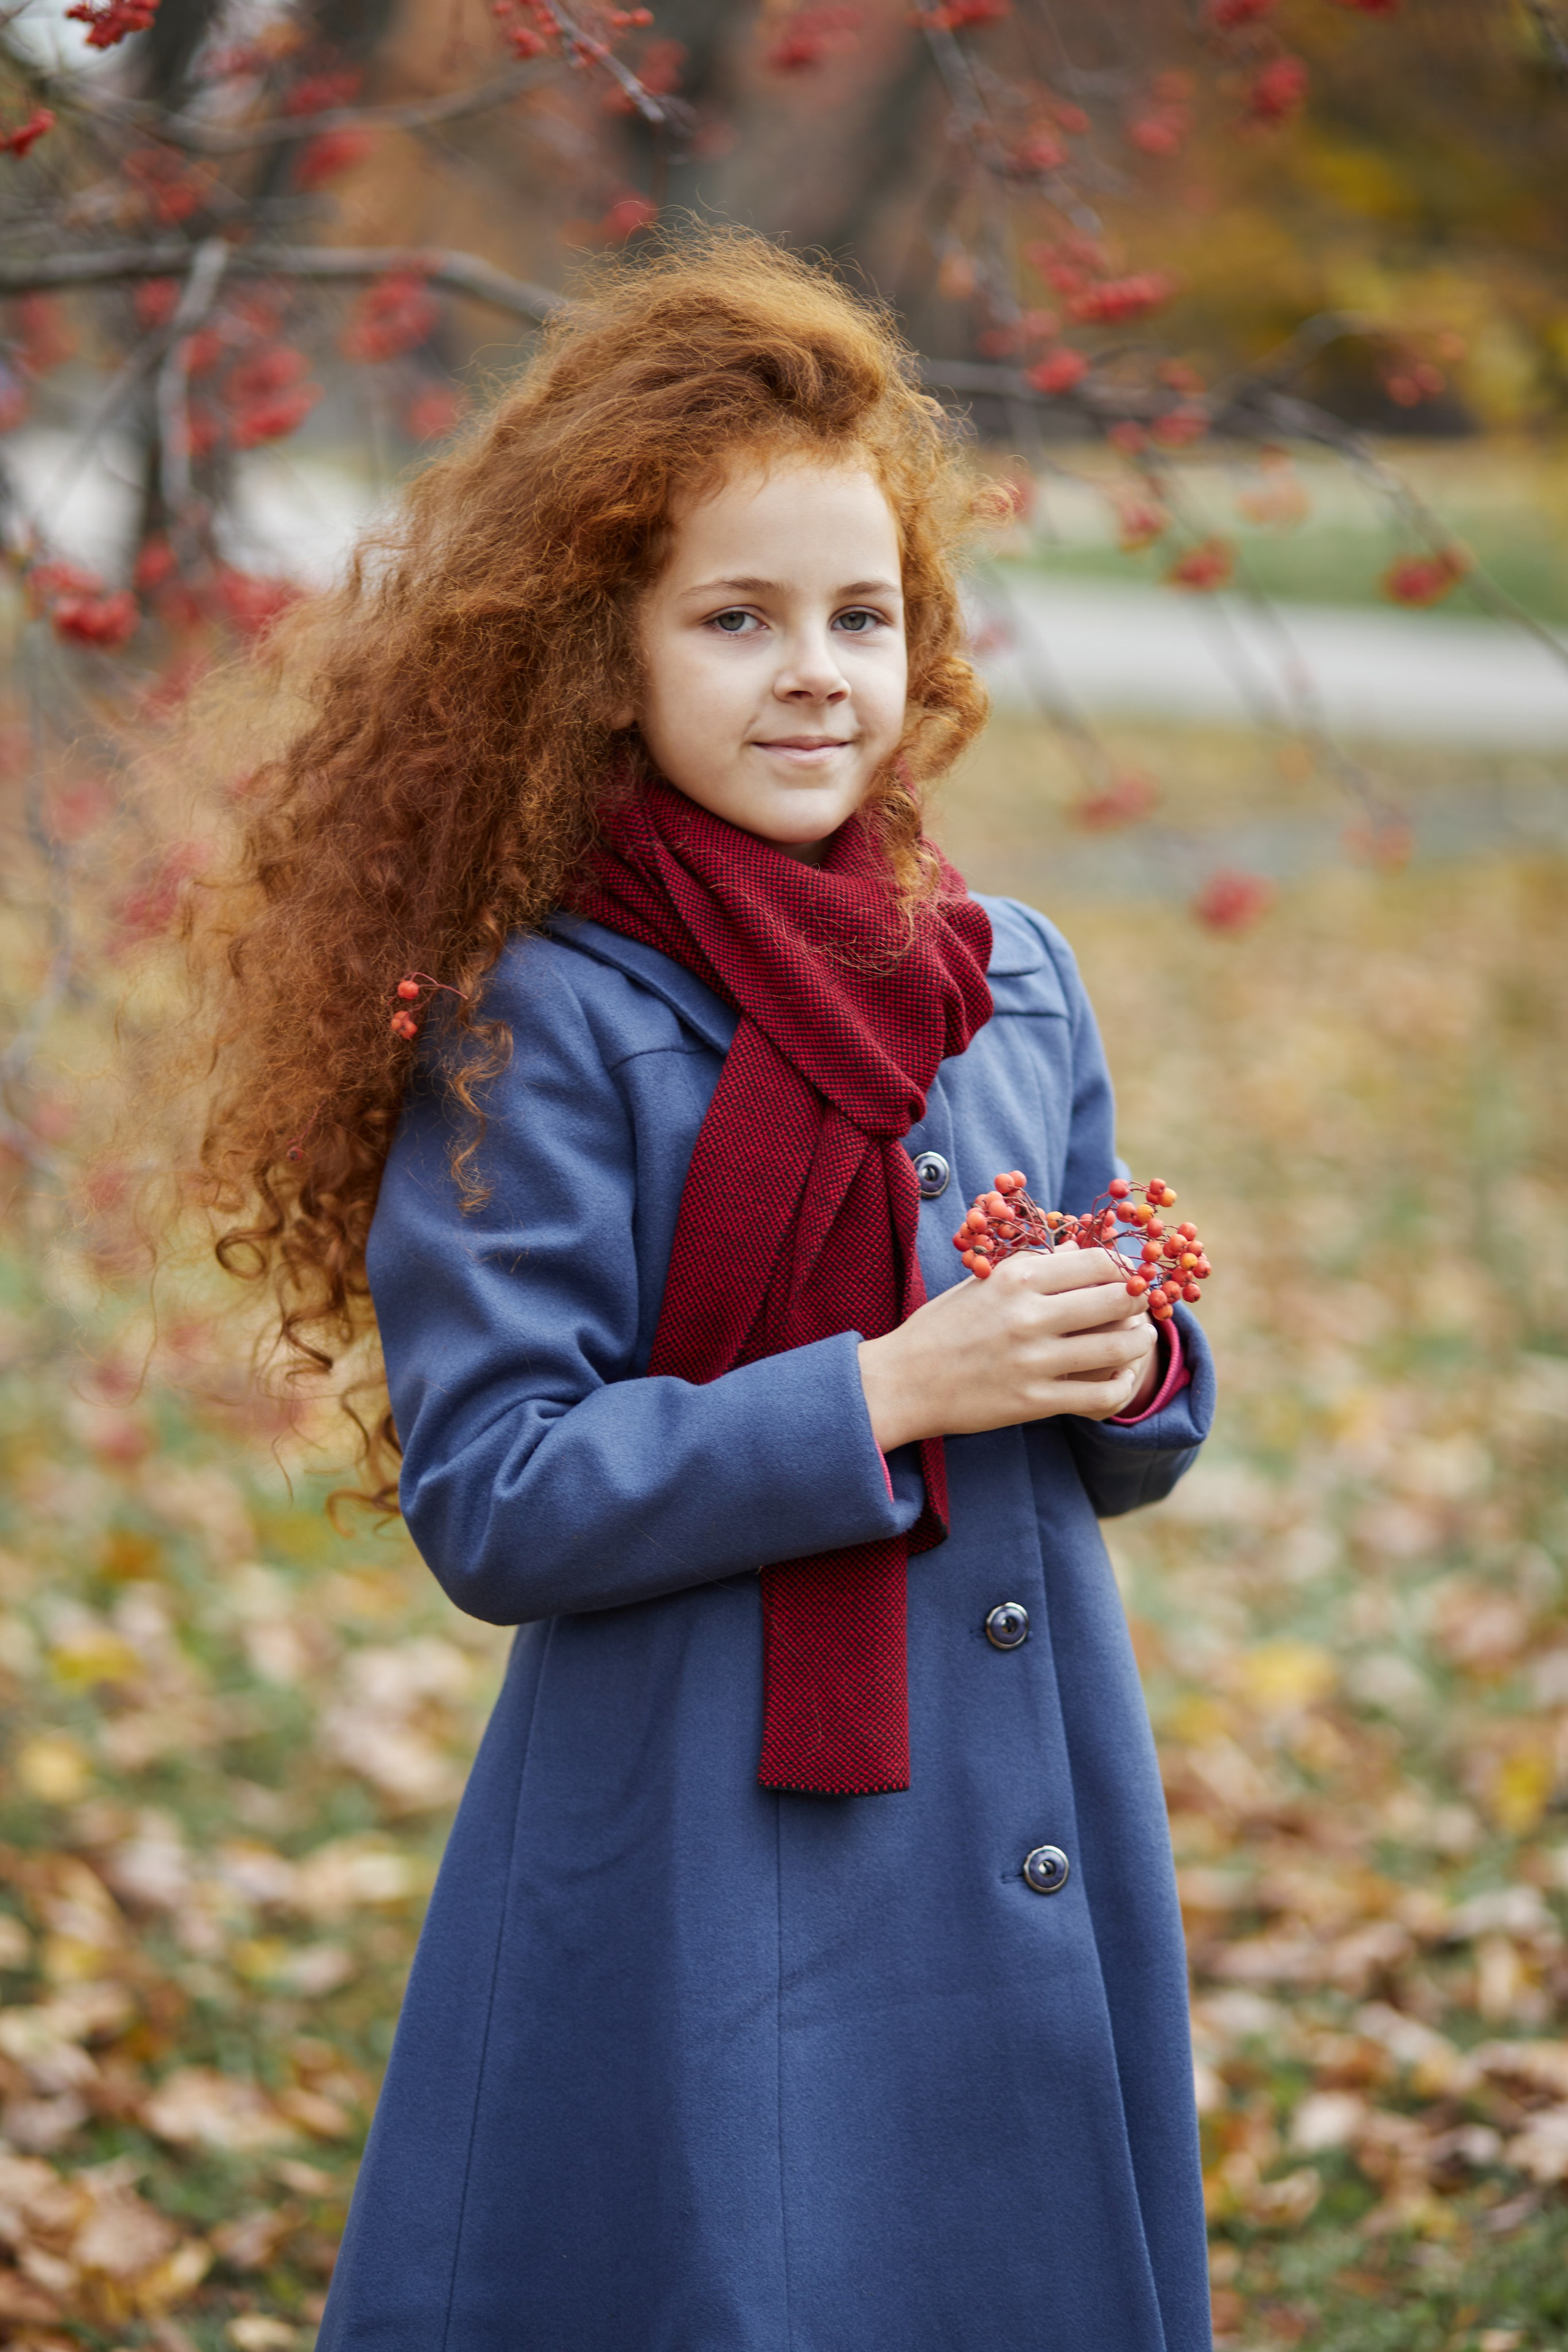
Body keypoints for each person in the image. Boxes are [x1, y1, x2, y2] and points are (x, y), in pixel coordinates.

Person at [178, 230, 1216, 2351]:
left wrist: (1129, 1358)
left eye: (859, 615)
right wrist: (890, 1394)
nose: (815, 671)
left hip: (1011, 1778)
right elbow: (502, 1494)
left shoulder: (1008, 970)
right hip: (701, 1833)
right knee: (735, 2266)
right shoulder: (544, 1013)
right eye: (736, 620)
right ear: (603, 656)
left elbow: (1135, 1423)